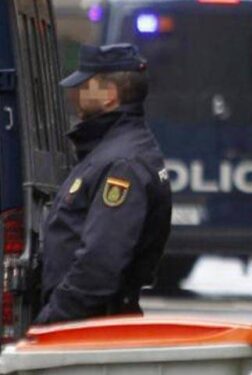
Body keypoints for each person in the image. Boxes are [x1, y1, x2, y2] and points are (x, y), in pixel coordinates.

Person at [34, 44, 172, 324]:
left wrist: (50, 322)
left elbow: (99, 263)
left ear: (109, 96)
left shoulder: (121, 164)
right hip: (91, 320)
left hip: (89, 326)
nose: (75, 95)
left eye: (85, 86)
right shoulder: (113, 150)